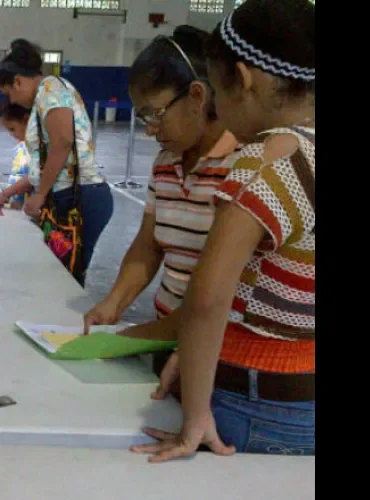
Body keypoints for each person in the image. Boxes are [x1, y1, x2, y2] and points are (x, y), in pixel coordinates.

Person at [131, 0, 315, 462]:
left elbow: (208, 299)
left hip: (251, 400)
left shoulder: (260, 161)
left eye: (215, 86)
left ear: (244, 79)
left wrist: (195, 415)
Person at [82, 26, 241, 386]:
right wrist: (114, 304)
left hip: (215, 354)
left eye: (155, 114)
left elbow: (226, 292)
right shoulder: (166, 162)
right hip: (165, 340)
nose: (150, 130)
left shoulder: (243, 165)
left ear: (197, 97)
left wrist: (129, 340)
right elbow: (148, 244)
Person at [0, 39, 114, 285]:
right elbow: (45, 165)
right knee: (57, 273)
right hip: (67, 194)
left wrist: (40, 194)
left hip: (80, 197)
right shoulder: (45, 96)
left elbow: (62, 141)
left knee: (66, 277)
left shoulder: (51, 90)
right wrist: (7, 193)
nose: (14, 101)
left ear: (18, 81)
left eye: (10, 93)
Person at [0, 100, 33, 210]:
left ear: (27, 121)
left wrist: (5, 195)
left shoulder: (34, 150)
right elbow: (17, 176)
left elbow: (31, 178)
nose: (10, 134)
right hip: (18, 201)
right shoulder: (21, 145)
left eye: (12, 129)